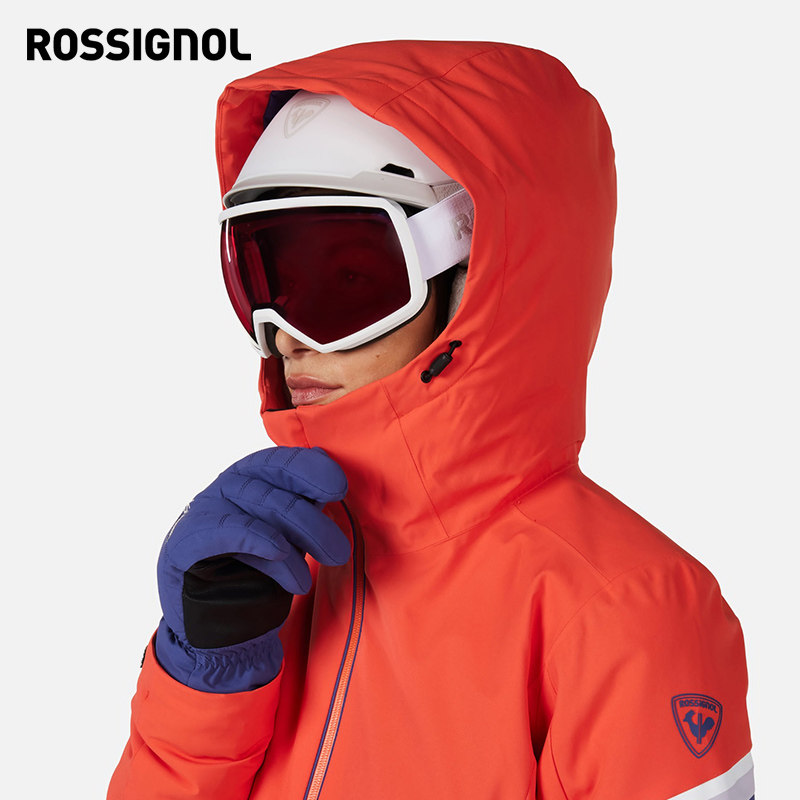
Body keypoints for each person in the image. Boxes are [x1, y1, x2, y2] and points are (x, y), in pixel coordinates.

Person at [108, 40, 754, 800]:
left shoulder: (624, 609)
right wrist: (201, 683)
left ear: (477, 282)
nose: (283, 336)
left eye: (349, 279)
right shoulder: (270, 575)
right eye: (264, 280)